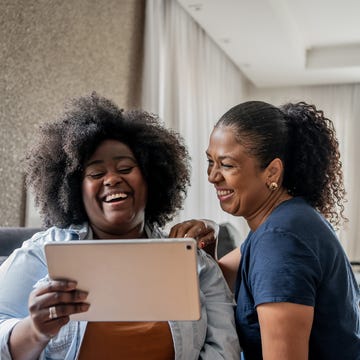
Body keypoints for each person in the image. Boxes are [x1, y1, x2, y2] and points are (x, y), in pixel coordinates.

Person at [0, 93, 240, 359]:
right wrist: (34, 330)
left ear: (150, 178)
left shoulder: (194, 262)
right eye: (96, 173)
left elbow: (225, 349)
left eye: (125, 168)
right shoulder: (42, 253)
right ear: (74, 190)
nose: (112, 179)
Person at [203, 100, 360, 359]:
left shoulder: (280, 239)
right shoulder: (282, 222)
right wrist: (207, 238)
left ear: (272, 172)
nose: (212, 176)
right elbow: (217, 280)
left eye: (227, 165)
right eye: (210, 161)